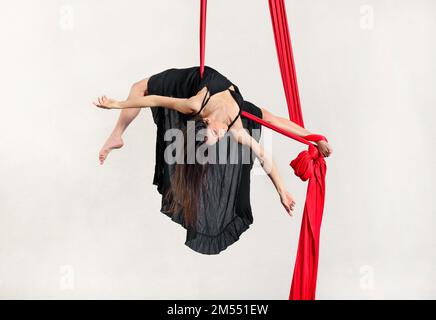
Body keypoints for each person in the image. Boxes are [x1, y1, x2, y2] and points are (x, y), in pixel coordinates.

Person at [93, 66, 332, 254]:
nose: (220, 136)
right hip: (210, 91)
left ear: (205, 122)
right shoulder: (228, 124)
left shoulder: (196, 106)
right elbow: (262, 154)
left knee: (139, 87)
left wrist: (117, 104)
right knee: (270, 118)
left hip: (203, 85)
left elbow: (155, 100)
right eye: (218, 138)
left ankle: (116, 135)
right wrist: (283, 190)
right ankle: (117, 136)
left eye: (214, 136)